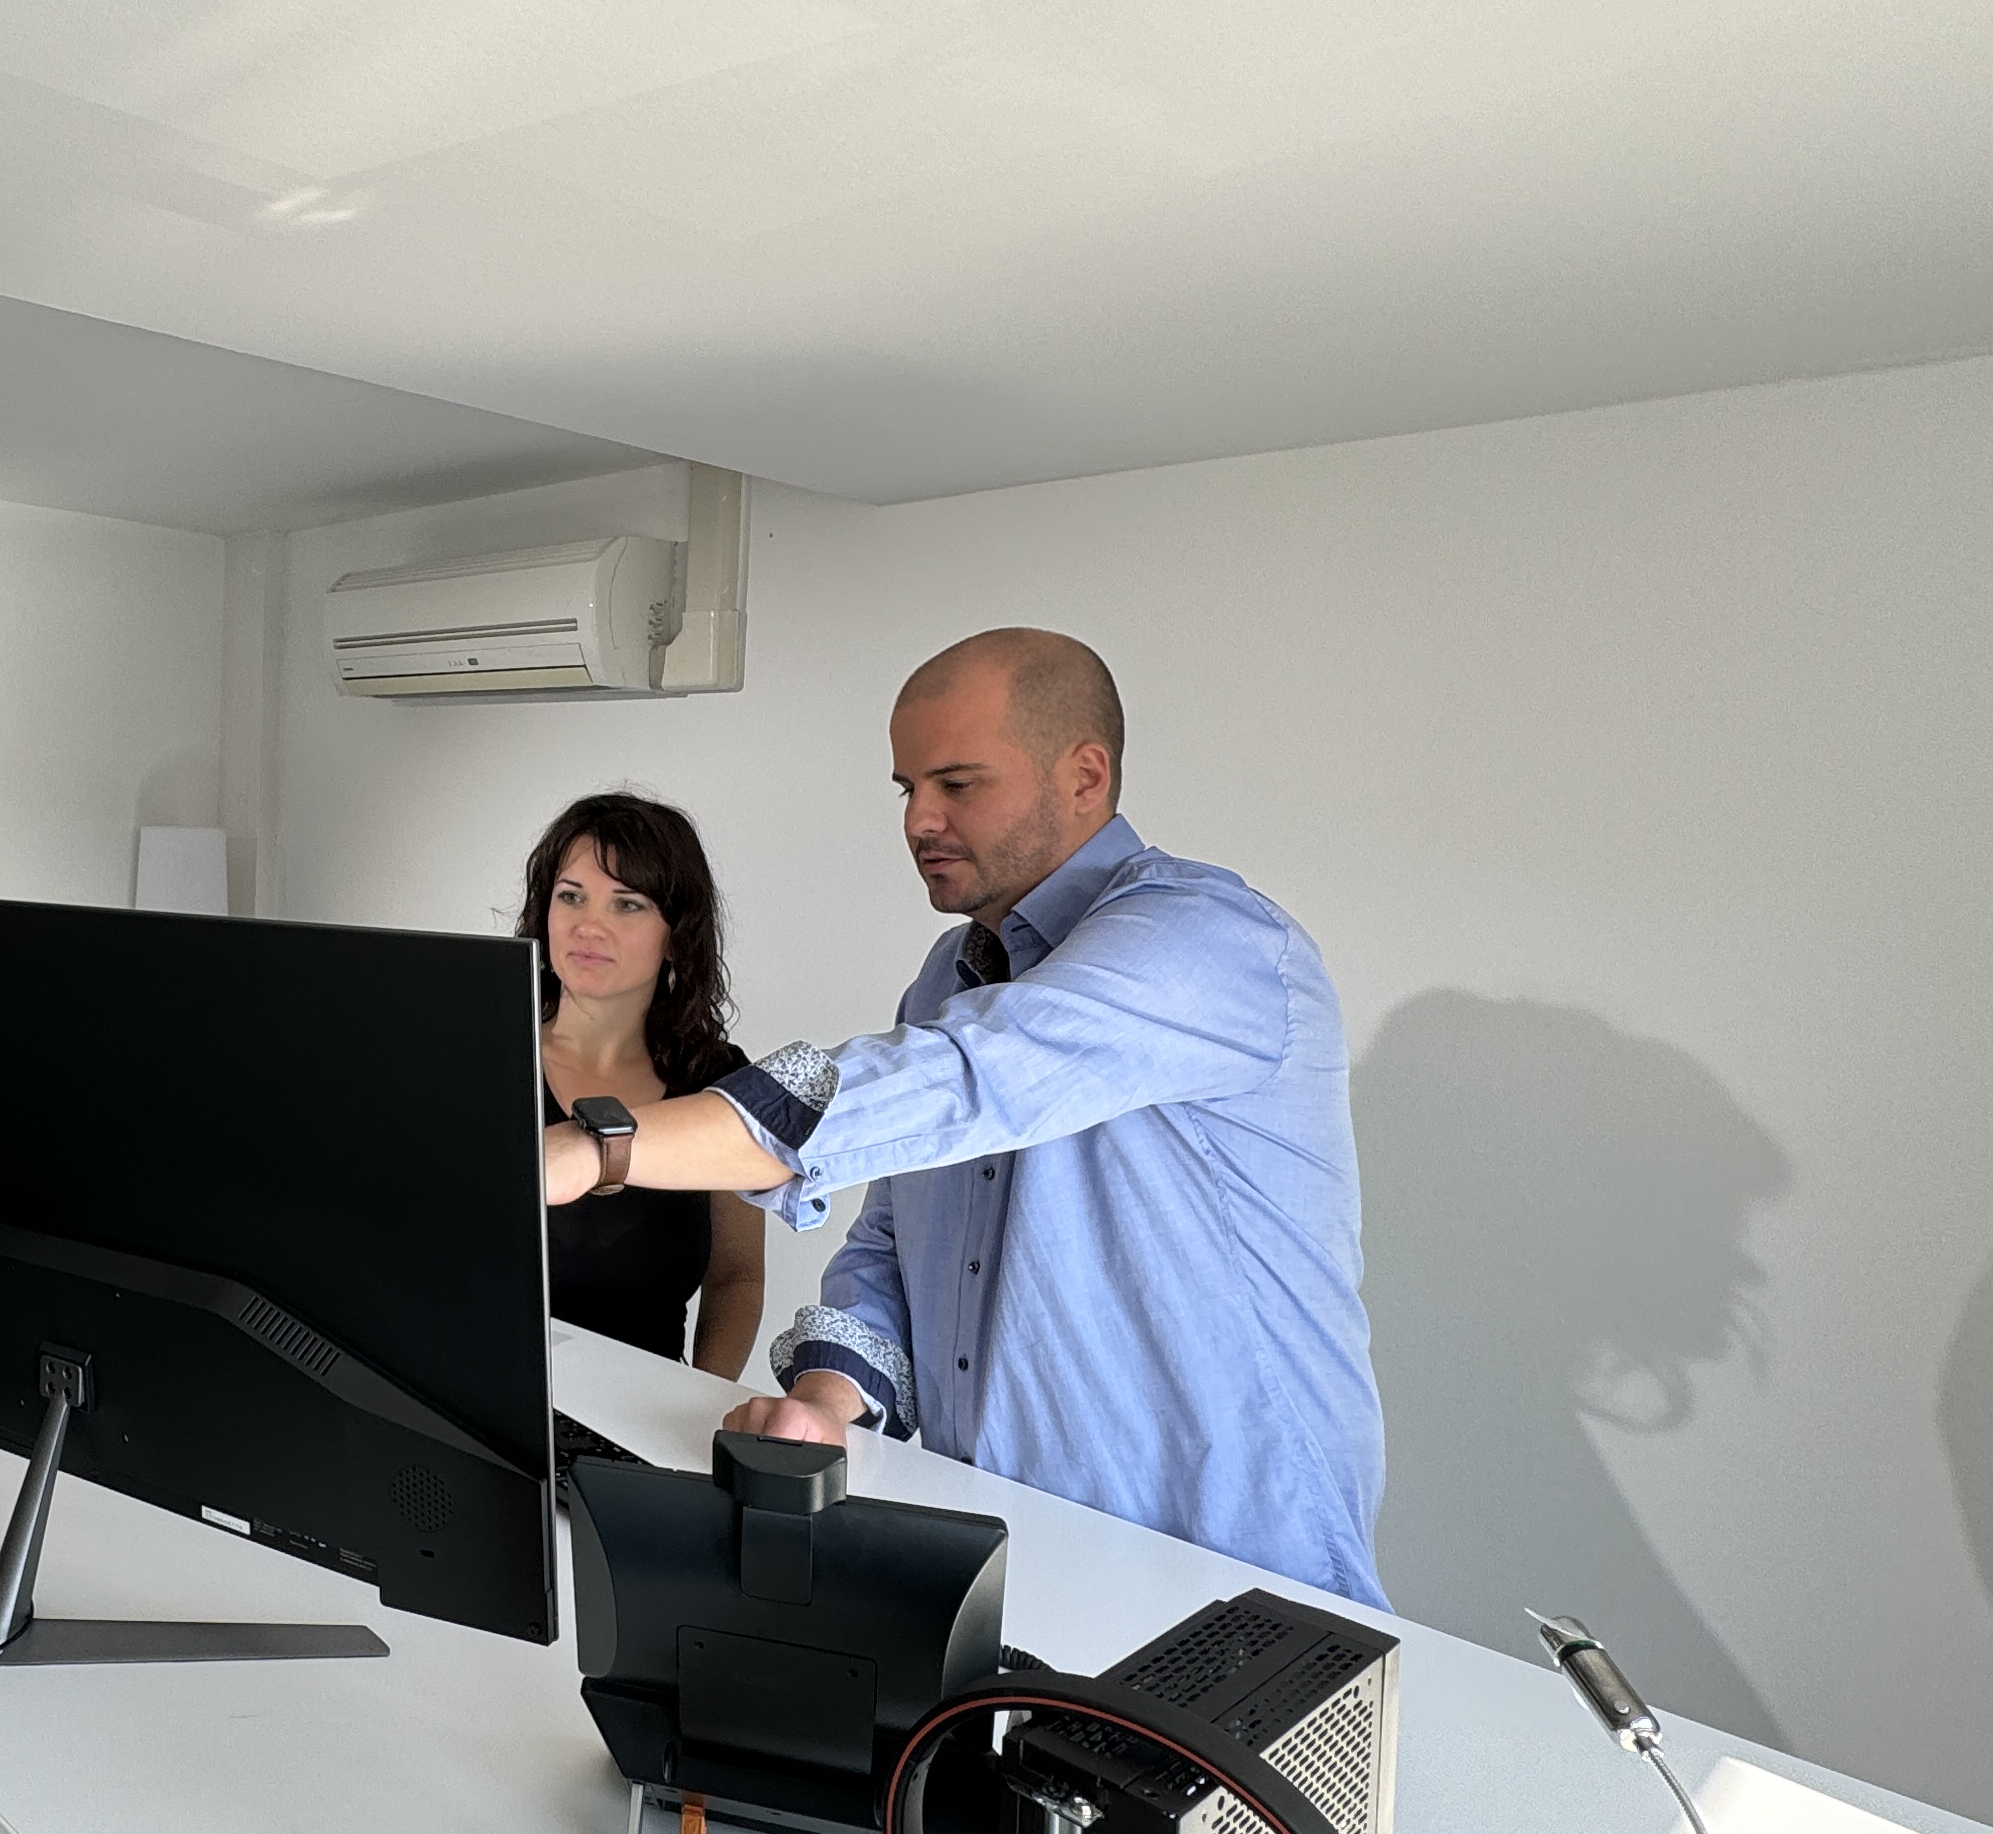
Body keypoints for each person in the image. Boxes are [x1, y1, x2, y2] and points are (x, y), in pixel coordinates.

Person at [539, 634, 1382, 1602]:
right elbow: (891, 1248)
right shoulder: (949, 978)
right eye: (908, 788)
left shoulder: (1209, 940)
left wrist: (598, 1148)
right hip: (1006, 1550)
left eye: (957, 784)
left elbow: (969, 1075)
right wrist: (826, 1401)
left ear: (1085, 776)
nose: (919, 820)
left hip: (1234, 1577)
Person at [521, 794, 767, 1374]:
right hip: (486, 1404)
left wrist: (700, 1405)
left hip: (645, 1414)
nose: (588, 926)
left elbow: (737, 1278)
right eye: (570, 896)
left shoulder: (721, 1081)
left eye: (627, 904)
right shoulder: (488, 1054)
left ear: (677, 935)